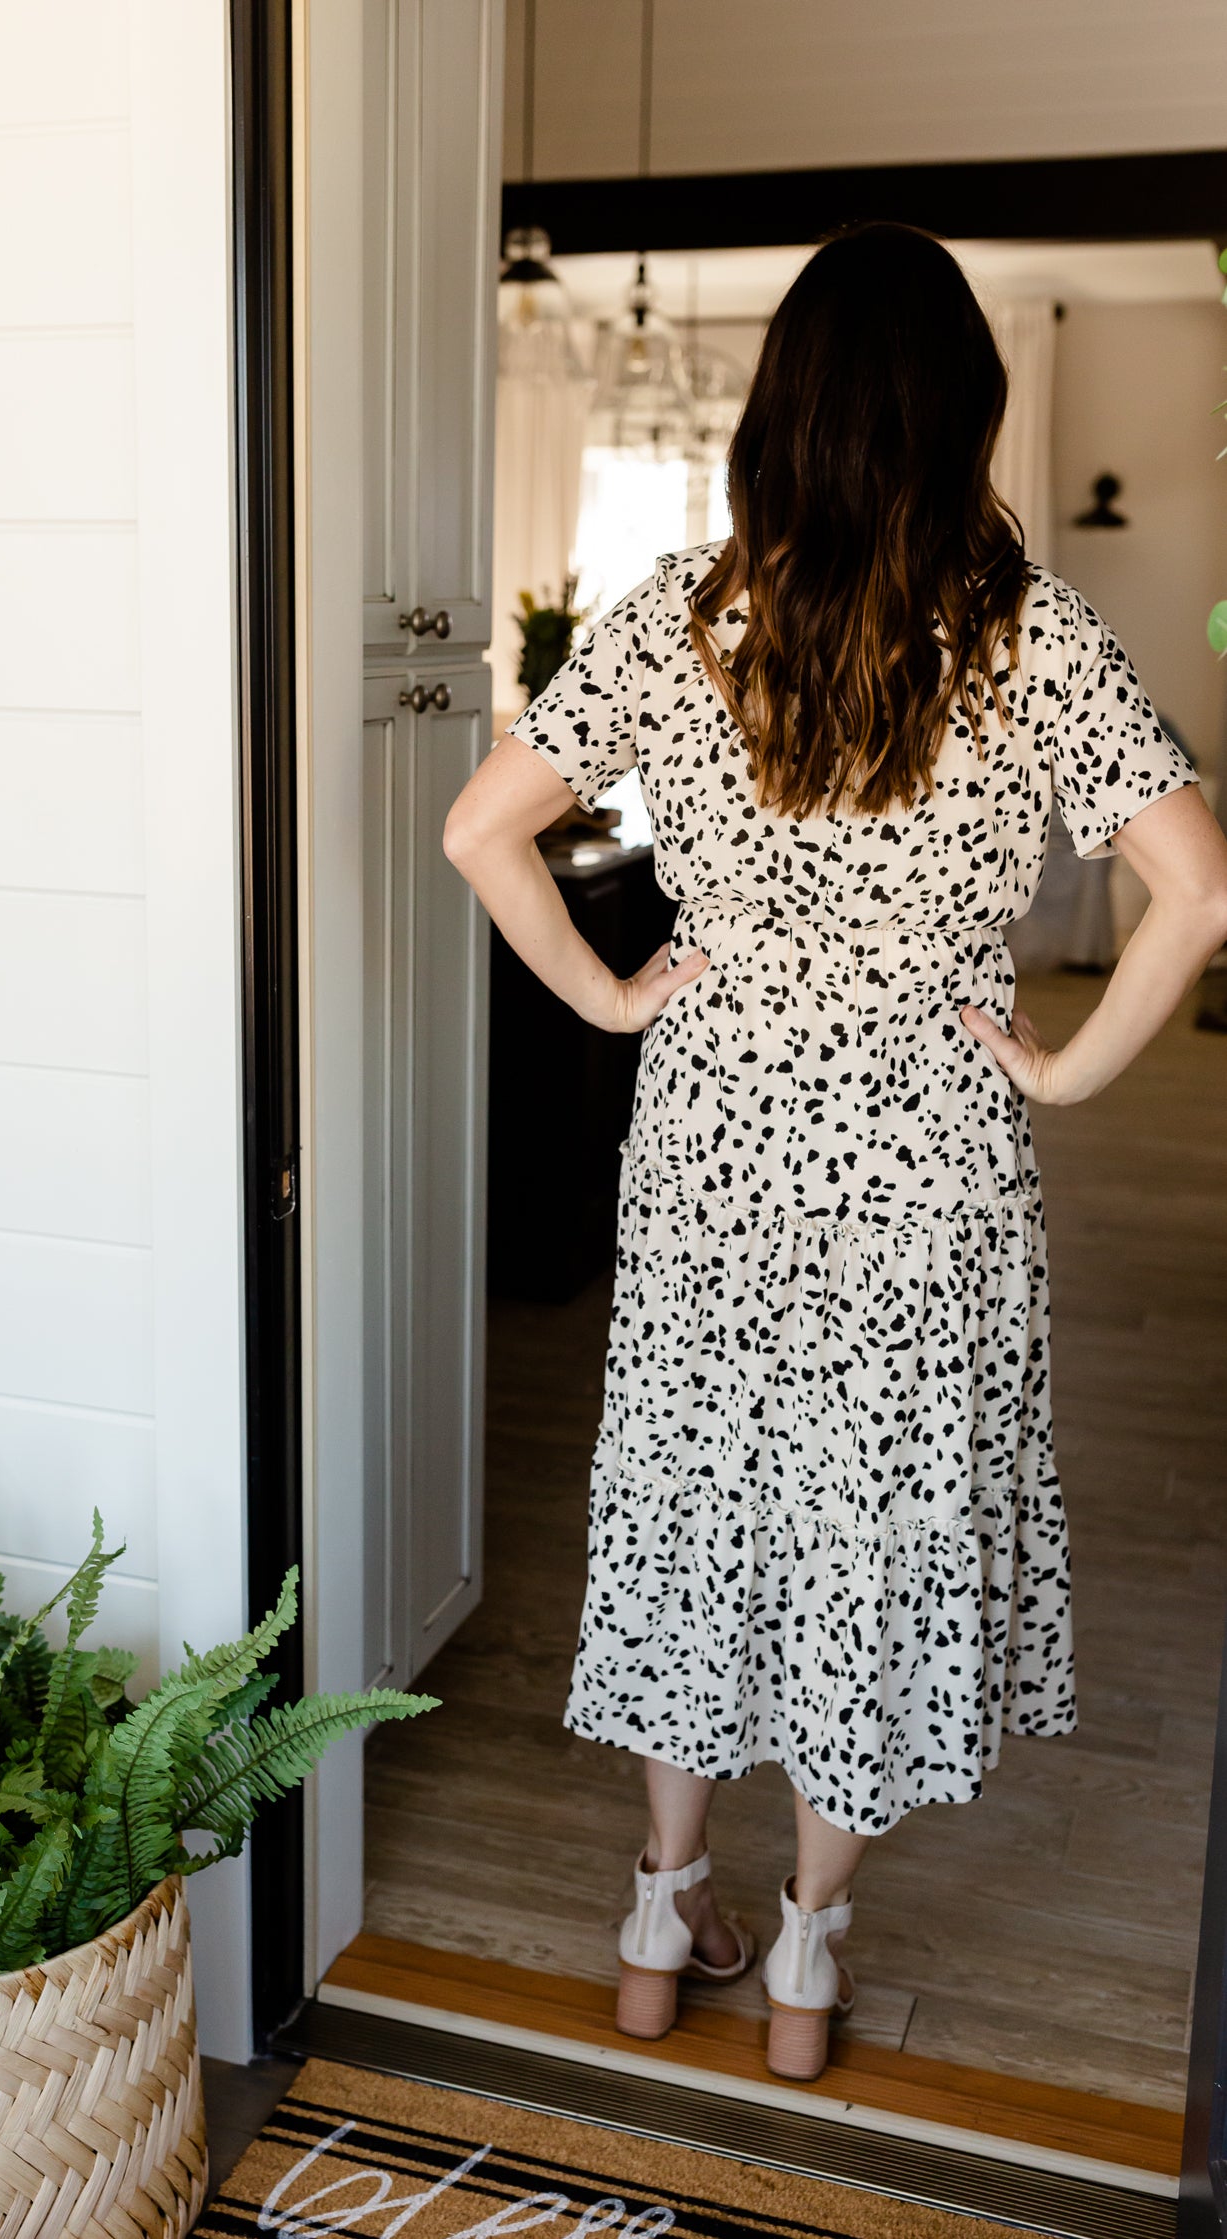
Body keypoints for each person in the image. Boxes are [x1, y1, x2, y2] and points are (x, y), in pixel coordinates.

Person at [443, 223, 1227, 2083]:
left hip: (711, 1133)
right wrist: (1059, 1073)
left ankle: (657, 1912)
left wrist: (620, 1001)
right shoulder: (1029, 634)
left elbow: (485, 831)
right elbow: (1195, 896)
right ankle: (802, 1954)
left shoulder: (682, 613)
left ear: (776, 409)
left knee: (695, 1515)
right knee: (870, 1542)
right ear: (967, 414)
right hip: (928, 1157)